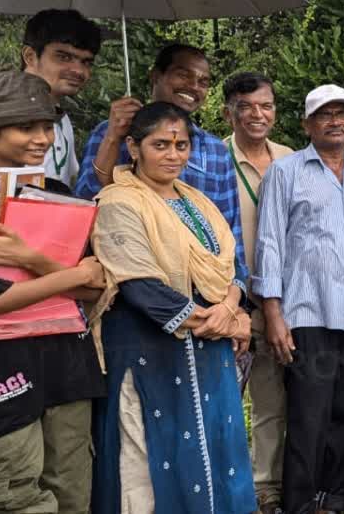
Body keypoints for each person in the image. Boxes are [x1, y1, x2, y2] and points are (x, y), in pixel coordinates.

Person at [0, 71, 106, 513]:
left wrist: (33, 258)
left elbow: (97, 287)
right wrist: (70, 277)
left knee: (73, 496)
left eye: (47, 125)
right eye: (26, 127)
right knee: (9, 497)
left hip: (67, 368)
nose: (41, 138)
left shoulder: (59, 195)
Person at [89, 102, 254, 514]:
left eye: (181, 145)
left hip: (209, 350)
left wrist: (230, 309)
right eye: (160, 144)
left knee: (214, 447)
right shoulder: (118, 202)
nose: (173, 154)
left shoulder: (198, 201)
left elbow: (231, 266)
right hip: (148, 347)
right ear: (133, 146)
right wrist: (215, 322)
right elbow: (139, 285)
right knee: (147, 458)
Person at [255, 84, 344, 513]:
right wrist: (273, 313)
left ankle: (334, 501)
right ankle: (298, 504)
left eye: (343, 114)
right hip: (307, 315)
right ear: (307, 124)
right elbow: (270, 243)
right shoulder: (286, 172)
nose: (335, 121)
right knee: (308, 418)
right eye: (324, 114)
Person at [76, 43, 248, 284]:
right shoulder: (111, 132)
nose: (194, 86)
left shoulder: (215, 150)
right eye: (183, 74)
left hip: (207, 289)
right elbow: (86, 205)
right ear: (155, 76)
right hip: (132, 282)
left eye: (203, 81)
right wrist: (114, 137)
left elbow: (230, 234)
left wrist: (235, 298)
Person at [221, 72, 294, 514]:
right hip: (232, 303)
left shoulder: (290, 159)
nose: (257, 114)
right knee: (225, 400)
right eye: (246, 106)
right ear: (230, 110)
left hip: (286, 304)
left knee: (272, 400)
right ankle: (222, 484)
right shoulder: (211, 159)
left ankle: (266, 488)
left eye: (265, 105)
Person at [0, 9, 101, 183]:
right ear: (30, 56)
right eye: (64, 57)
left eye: (86, 62)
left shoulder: (61, 120)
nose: (78, 70)